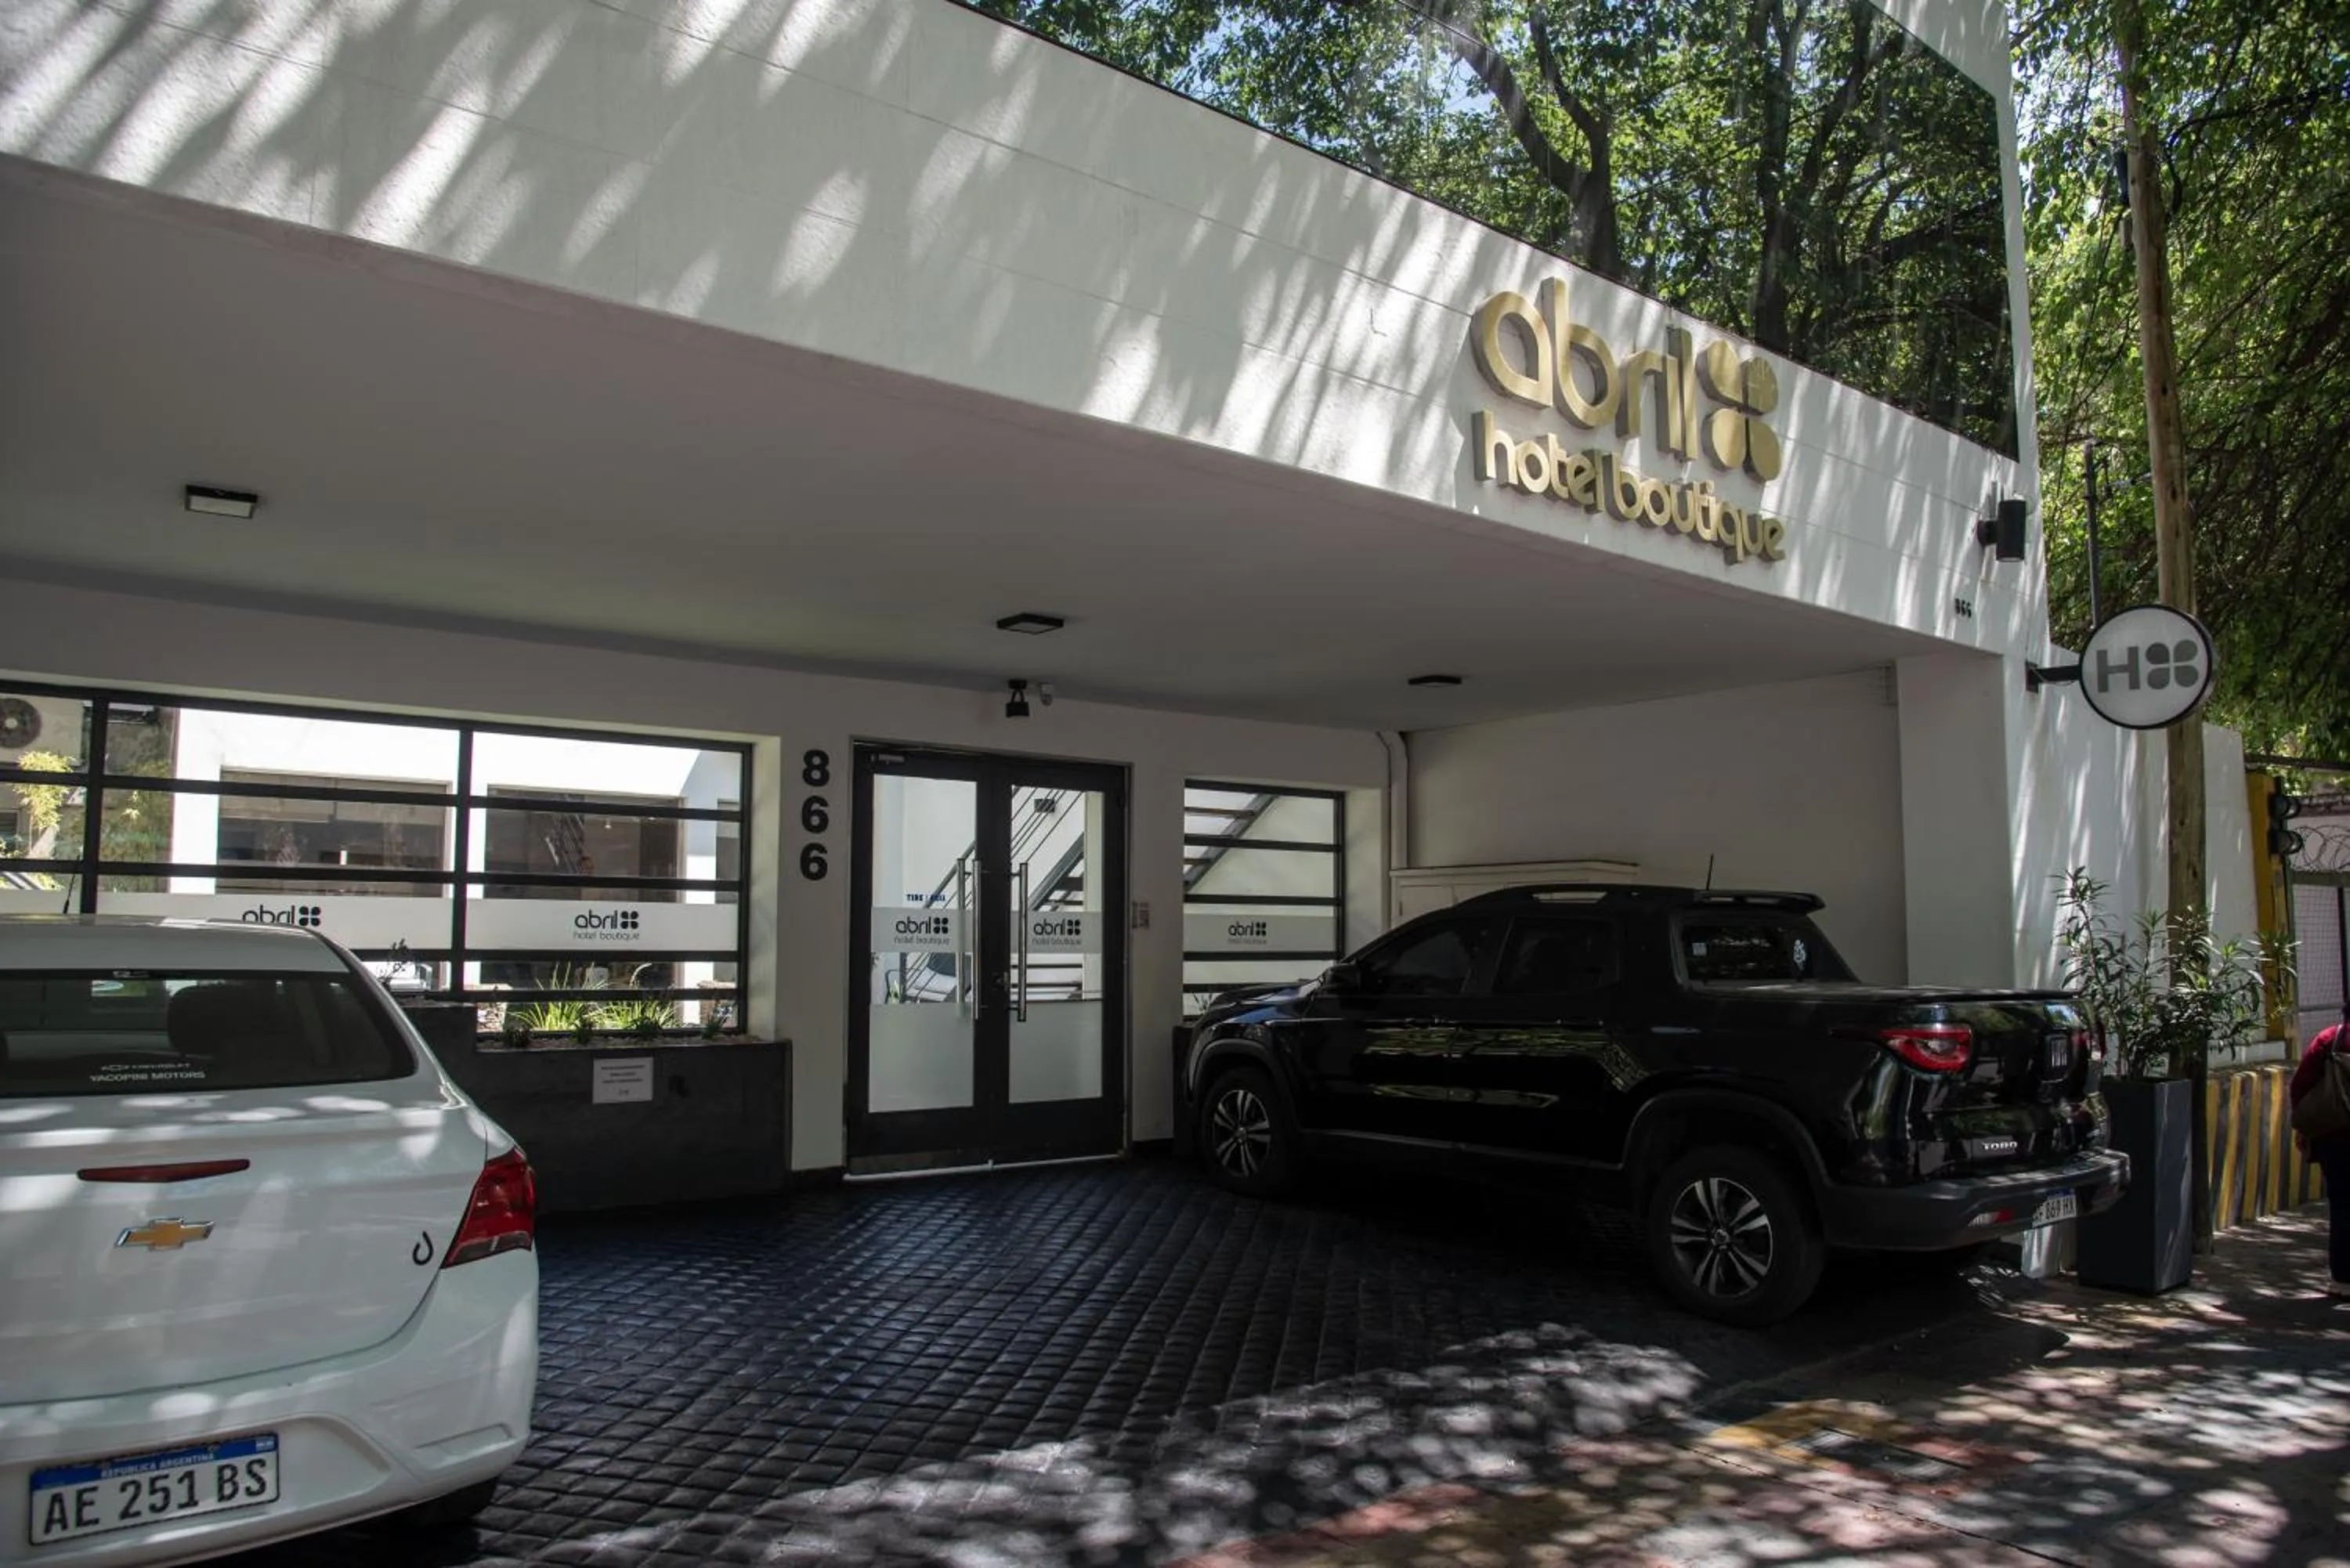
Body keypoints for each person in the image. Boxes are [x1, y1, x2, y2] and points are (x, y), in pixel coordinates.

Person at [2290, 1006, 2350, 1296]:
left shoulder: (2331, 1039)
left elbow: (2301, 1086)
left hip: (2334, 1137)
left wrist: (2304, 1128)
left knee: (2341, 1206)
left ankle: (2342, 1279)